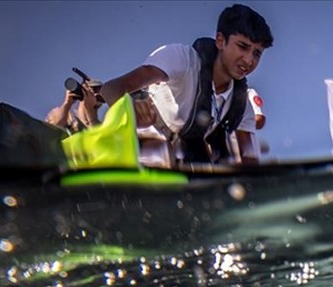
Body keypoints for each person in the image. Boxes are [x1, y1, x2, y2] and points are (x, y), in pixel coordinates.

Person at [99, 4, 273, 166]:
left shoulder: (242, 105)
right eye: (242, 46)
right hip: (138, 144)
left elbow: (250, 160)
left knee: (213, 161)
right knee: (162, 151)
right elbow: (110, 89)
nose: (249, 60)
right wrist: (129, 109)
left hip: (184, 157)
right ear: (220, 41)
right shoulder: (181, 59)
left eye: (257, 53)